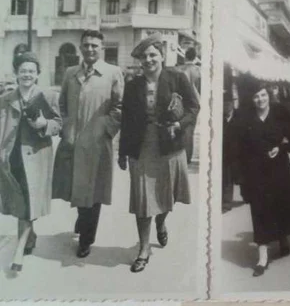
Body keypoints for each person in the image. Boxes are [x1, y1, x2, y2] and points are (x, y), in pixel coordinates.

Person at [118, 33, 200, 272]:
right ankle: (144, 249)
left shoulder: (177, 77)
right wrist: (122, 153)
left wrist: (180, 124)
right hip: (141, 147)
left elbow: (194, 107)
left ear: (162, 56)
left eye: (153, 54)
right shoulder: (133, 85)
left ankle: (161, 224)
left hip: (170, 145)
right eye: (144, 56)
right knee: (143, 201)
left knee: (166, 196)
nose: (148, 60)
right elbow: (126, 121)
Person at [53, 29, 124, 258]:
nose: (90, 49)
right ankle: (83, 219)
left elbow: (120, 107)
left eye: (95, 45)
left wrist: (106, 130)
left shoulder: (113, 73)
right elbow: (61, 104)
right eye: (86, 45)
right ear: (81, 48)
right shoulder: (70, 73)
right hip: (73, 142)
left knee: (94, 190)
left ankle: (86, 238)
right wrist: (66, 128)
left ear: (102, 48)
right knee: (75, 185)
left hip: (97, 142)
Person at [0, 53, 62, 272]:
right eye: (23, 71)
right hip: (12, 155)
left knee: (29, 198)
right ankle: (30, 235)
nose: (27, 75)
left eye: (31, 71)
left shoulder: (48, 95)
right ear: (16, 73)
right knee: (21, 200)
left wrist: (44, 123)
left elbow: (58, 124)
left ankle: (19, 250)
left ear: (37, 74)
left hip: (37, 156)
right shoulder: (6, 98)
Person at [236, 82, 290, 277]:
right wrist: (242, 177)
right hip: (255, 171)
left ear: (268, 95)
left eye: (263, 95)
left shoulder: (280, 112)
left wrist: (280, 147)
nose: (260, 99)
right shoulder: (245, 118)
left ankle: (282, 238)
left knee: (280, 204)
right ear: (251, 99)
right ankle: (262, 257)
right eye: (256, 97)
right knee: (259, 209)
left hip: (279, 168)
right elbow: (240, 148)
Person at [176, 47, 201, 165]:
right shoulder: (198, 70)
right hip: (195, 102)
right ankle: (187, 158)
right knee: (190, 130)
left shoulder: (178, 69)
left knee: (180, 128)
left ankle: (179, 156)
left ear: (185, 56)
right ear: (195, 57)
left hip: (181, 102)